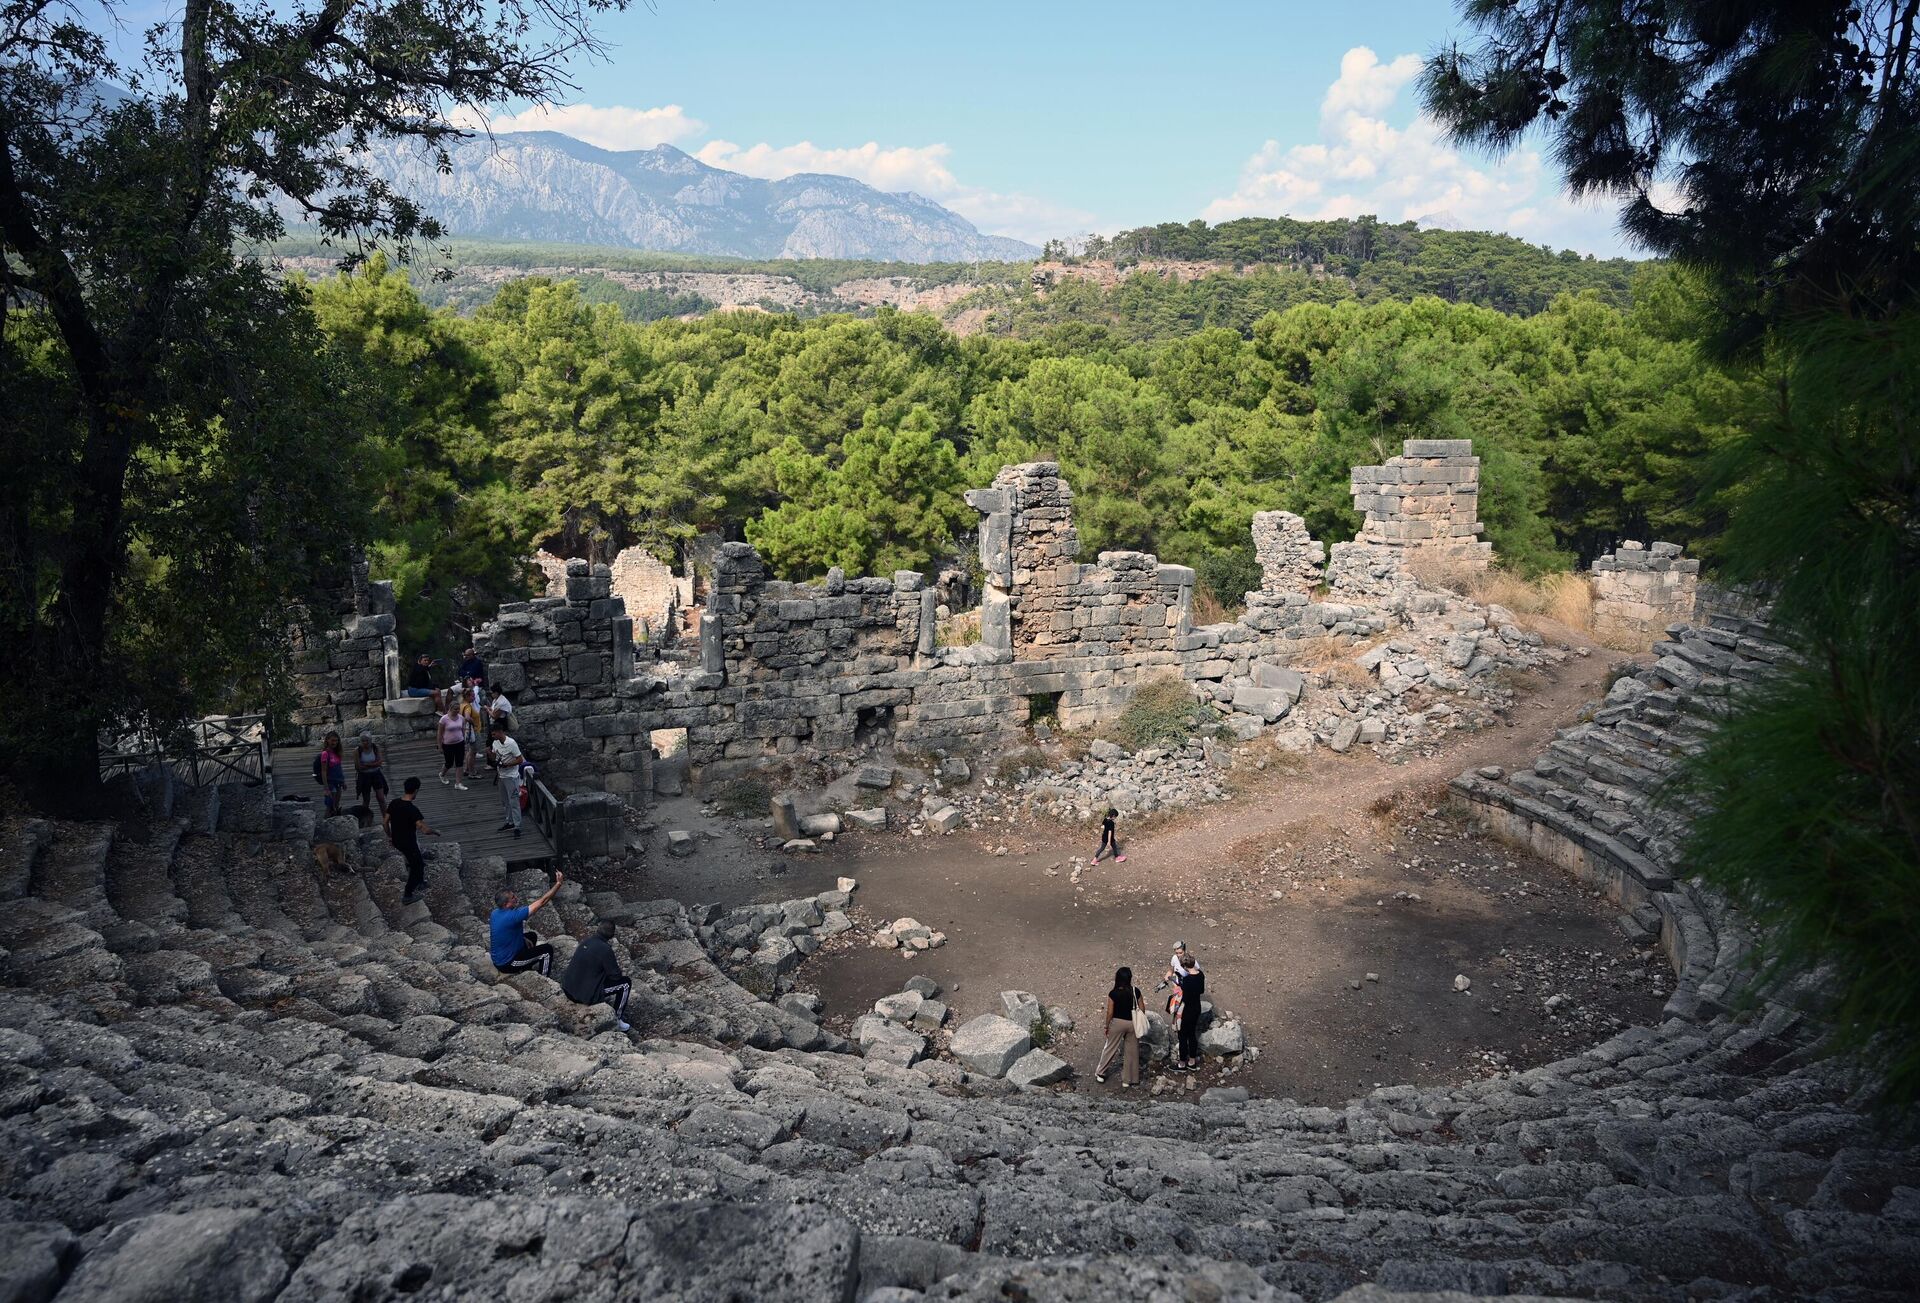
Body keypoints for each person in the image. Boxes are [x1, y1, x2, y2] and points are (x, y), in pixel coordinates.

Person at [560, 919, 632, 1031]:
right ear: (612, 935)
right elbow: (615, 976)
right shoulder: (605, 949)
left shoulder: (586, 941)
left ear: (598, 929)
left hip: (568, 989)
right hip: (583, 996)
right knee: (625, 983)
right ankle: (617, 1019)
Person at [490, 871, 566, 977]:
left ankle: (526, 966)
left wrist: (523, 939)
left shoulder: (495, 913)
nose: (516, 898)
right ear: (505, 904)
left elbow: (505, 932)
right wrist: (558, 884)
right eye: (513, 898)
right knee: (547, 950)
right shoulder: (514, 916)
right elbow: (543, 901)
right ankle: (544, 978)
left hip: (499, 957)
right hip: (508, 963)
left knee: (531, 936)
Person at [383, 776, 440, 904]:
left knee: (417, 858)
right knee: (417, 865)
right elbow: (424, 829)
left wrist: (390, 836)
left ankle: (420, 882)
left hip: (397, 840)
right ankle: (408, 895)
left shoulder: (394, 803)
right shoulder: (412, 810)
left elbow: (385, 822)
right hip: (408, 842)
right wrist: (436, 832)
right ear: (416, 791)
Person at [1094, 965, 1144, 1087]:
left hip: (1117, 1023)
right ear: (1129, 978)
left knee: (1110, 1048)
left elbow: (1110, 1012)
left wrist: (1107, 1026)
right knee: (1132, 1051)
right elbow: (1142, 1008)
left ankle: (1101, 1073)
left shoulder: (1113, 993)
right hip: (1132, 1023)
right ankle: (1129, 1080)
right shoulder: (1135, 991)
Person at [490, 724, 525, 838]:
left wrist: (507, 765)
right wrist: (491, 756)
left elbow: (520, 759)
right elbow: (495, 756)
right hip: (501, 776)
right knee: (505, 801)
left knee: (514, 802)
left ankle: (517, 826)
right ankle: (509, 822)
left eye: (494, 734)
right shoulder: (495, 743)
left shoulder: (511, 743)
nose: (493, 736)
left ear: (500, 732)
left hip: (511, 776)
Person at [1174, 952, 1206, 1072]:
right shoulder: (1201, 975)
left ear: (1185, 967)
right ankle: (1192, 1061)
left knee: (1182, 1036)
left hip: (1186, 1009)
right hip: (1196, 1007)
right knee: (1192, 1034)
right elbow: (1201, 990)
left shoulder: (1187, 980)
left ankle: (1182, 1063)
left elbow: (1184, 997)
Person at [352, 731, 390, 814]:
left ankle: (386, 818)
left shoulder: (375, 748)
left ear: (371, 740)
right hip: (364, 776)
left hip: (376, 774)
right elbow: (358, 767)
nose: (365, 742)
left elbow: (380, 762)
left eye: (367, 740)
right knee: (366, 799)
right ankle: (364, 817)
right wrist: (374, 764)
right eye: (363, 741)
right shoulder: (357, 751)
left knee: (381, 798)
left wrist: (367, 764)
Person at [312, 731, 346, 816]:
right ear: (327, 740)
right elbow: (324, 771)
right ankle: (326, 823)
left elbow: (339, 768)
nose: (334, 743)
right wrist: (326, 788)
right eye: (332, 740)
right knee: (330, 806)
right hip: (330, 783)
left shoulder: (337, 753)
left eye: (336, 741)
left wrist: (343, 781)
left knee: (336, 806)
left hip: (338, 782)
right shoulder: (325, 754)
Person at [436, 704, 469, 790]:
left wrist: (464, 740)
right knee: (449, 763)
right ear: (450, 708)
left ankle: (458, 783)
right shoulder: (444, 719)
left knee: (460, 762)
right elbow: (439, 734)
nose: (457, 711)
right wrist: (440, 746)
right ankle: (442, 774)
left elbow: (463, 729)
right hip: (447, 744)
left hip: (459, 743)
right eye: (455, 709)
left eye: (458, 709)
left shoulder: (461, 717)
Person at [459, 692, 488, 779]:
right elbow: (467, 717)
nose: (474, 697)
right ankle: (472, 772)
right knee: (473, 752)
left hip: (467, 730)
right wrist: (474, 723)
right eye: (472, 696)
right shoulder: (467, 706)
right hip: (474, 731)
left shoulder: (462, 704)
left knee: (469, 751)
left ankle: (467, 769)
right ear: (467, 696)